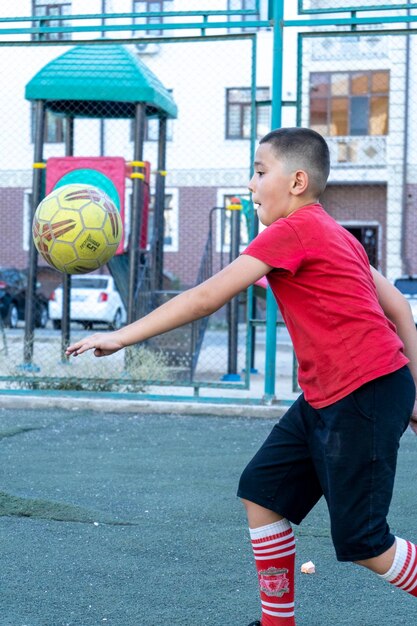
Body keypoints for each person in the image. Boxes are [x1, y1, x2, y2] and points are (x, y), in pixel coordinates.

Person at [66, 127, 417, 626]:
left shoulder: (292, 231)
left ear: (297, 181)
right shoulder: (336, 233)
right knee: (263, 491)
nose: (251, 184)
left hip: (364, 390)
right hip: (335, 393)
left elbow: (206, 297)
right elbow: (399, 307)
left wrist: (121, 336)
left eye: (258, 171)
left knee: (365, 541)